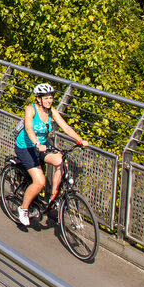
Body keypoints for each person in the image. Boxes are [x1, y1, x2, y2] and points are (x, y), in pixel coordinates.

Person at [16, 83, 88, 226]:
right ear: (38, 99)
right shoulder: (31, 109)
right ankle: (23, 209)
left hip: (43, 145)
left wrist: (80, 140)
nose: (49, 101)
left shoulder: (52, 111)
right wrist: (37, 144)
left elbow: (65, 127)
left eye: (51, 98)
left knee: (61, 161)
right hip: (27, 147)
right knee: (40, 182)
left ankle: (53, 197)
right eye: (46, 98)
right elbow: (29, 129)